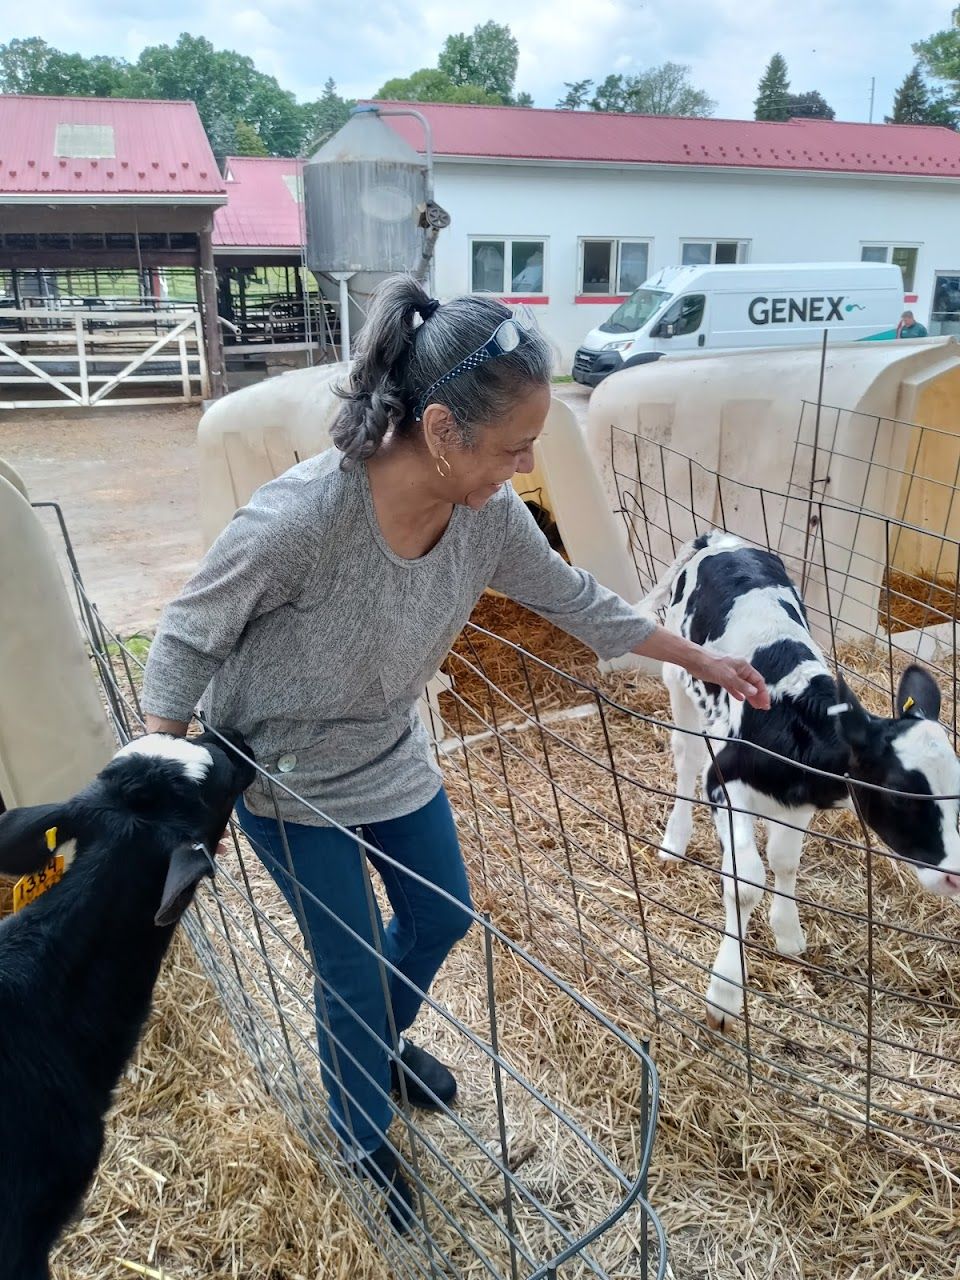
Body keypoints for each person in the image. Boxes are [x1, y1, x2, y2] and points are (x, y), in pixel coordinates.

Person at [140, 275, 769, 1228]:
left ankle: (370, 1045)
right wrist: (164, 786)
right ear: (442, 431)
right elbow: (187, 635)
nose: (523, 468)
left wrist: (704, 660)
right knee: (346, 964)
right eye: (515, 447)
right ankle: (358, 1132)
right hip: (282, 765)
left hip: (383, 747)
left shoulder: (487, 520)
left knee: (442, 916)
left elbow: (578, 601)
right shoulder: (302, 518)